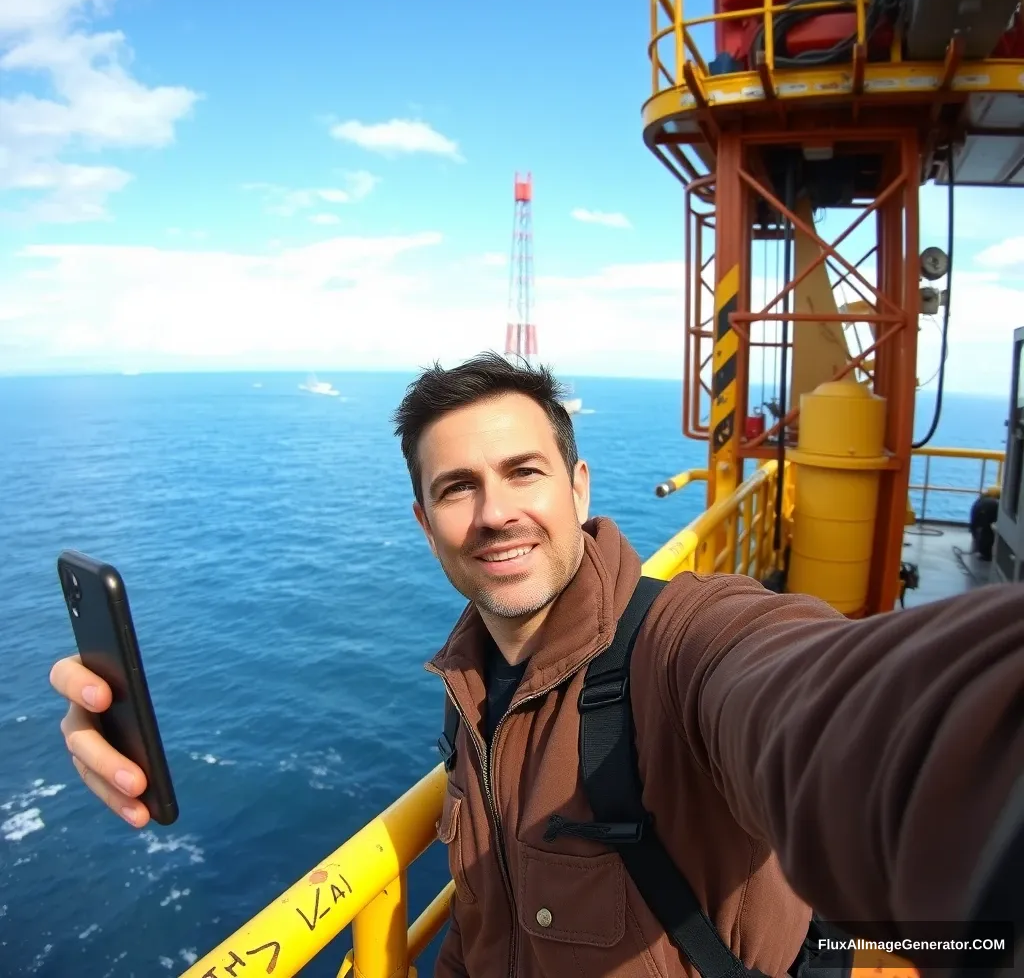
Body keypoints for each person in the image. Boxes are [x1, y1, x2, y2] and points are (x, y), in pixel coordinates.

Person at [50, 352, 1024, 978]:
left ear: (578, 486)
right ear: (423, 521)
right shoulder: (473, 692)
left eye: (523, 471)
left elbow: (839, 704)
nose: (496, 511)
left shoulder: (686, 642)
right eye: (455, 488)